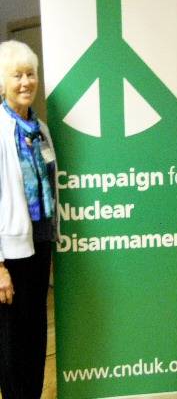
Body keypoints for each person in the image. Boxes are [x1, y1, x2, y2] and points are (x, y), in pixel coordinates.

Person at [0, 40, 58, 399]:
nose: (25, 82)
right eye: (16, 75)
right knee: (10, 340)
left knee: (36, 331)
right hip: (10, 251)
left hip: (40, 242)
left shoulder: (40, 130)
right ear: (2, 81)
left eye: (30, 74)